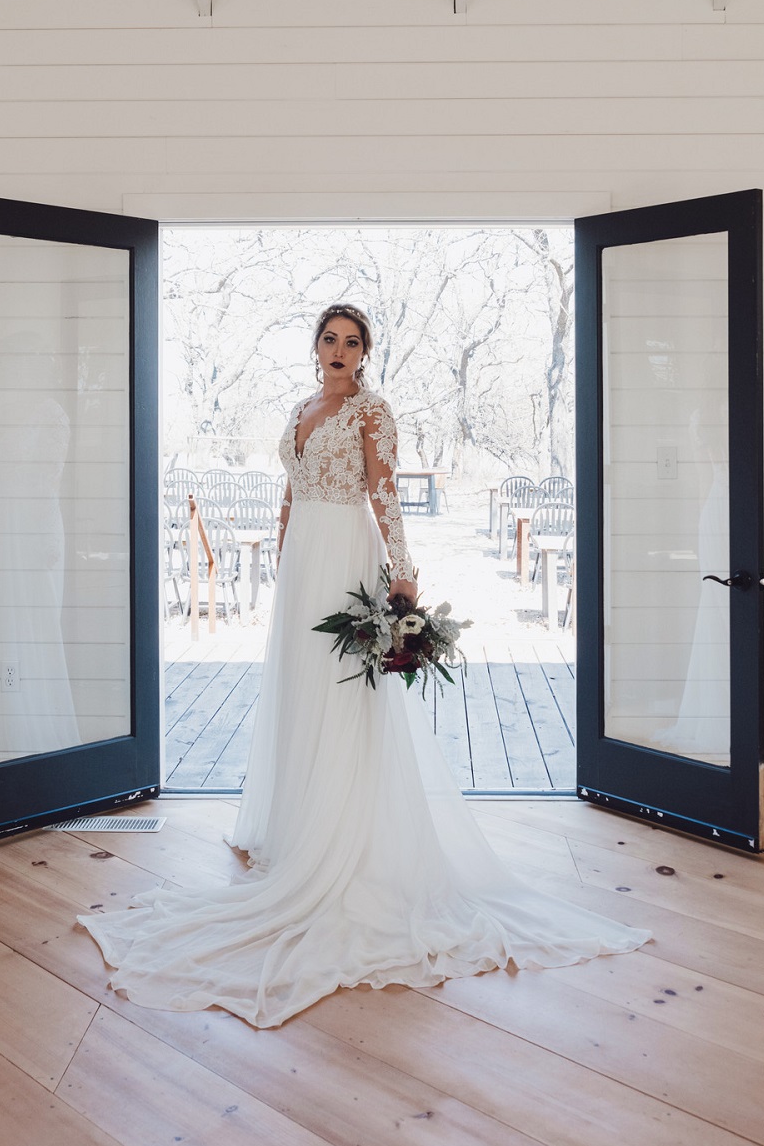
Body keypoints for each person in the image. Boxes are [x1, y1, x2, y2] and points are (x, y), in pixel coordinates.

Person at [78, 303, 650, 1027]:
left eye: (352, 343)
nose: (340, 351)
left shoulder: (373, 412)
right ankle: (297, 823)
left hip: (348, 553)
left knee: (346, 693)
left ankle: (348, 838)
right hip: (303, 568)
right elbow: (289, 491)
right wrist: (283, 561)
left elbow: (384, 493)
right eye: (330, 339)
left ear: (365, 353)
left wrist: (404, 573)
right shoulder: (300, 406)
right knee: (300, 690)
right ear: (315, 347)